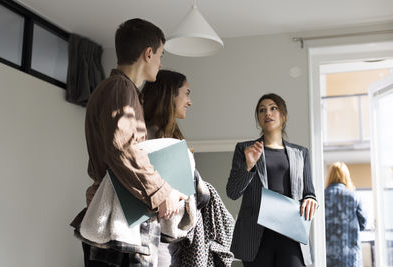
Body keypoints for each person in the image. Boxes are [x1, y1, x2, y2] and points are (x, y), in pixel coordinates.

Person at [70, 19, 186, 267]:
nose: (160, 63)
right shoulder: (120, 90)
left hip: (123, 215)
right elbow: (124, 150)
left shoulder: (120, 90)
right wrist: (161, 191)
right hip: (120, 220)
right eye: (160, 55)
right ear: (148, 53)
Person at [142, 69, 235, 267]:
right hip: (155, 239)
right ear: (170, 96)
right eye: (187, 93)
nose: (190, 101)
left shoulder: (171, 136)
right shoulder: (145, 138)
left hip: (175, 241)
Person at [226, 93, 318, 267]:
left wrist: (311, 200)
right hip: (256, 236)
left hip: (291, 234)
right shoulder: (244, 149)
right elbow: (232, 192)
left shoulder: (301, 153)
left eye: (273, 108)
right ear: (258, 119)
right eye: (262, 110)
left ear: (283, 116)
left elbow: (309, 193)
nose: (267, 113)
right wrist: (249, 165)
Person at [324, 162, 367, 267]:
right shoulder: (354, 196)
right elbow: (363, 224)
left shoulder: (321, 196)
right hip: (350, 256)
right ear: (346, 176)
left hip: (327, 255)